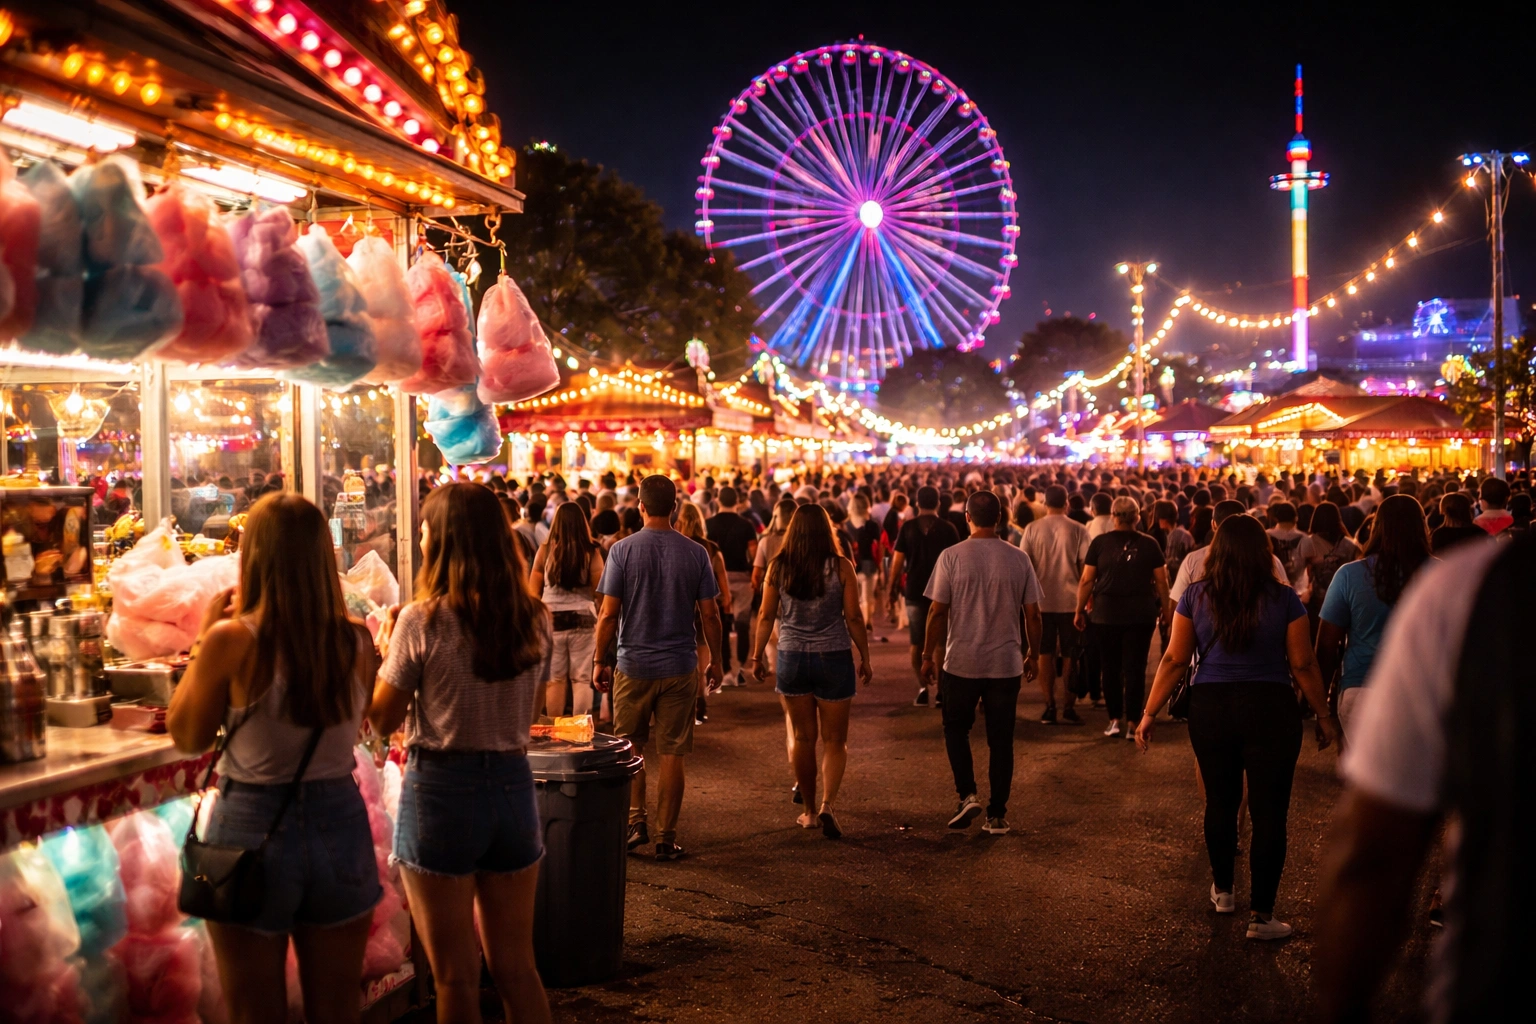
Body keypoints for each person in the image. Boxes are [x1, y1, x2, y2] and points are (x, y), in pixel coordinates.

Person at [168, 494, 379, 1024]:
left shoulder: (230, 639)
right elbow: (353, 730)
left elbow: (188, 735)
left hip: (251, 825)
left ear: (254, 556)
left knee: (253, 1012)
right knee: (337, 1011)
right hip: (340, 819)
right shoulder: (356, 642)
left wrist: (200, 645)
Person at [1312, 537, 1523, 1022]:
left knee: (1393, 787)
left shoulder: (1473, 585)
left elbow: (1374, 855)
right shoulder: (1444, 576)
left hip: (1499, 974)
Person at [366, 483, 551, 1024]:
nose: (420, 536)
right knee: (518, 968)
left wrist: (385, 649)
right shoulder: (533, 618)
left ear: (442, 540)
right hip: (514, 788)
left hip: (442, 792)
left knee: (454, 977)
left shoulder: (420, 621)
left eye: (424, 527)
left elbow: (381, 718)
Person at [1137, 514, 1337, 940]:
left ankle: (1224, 891)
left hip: (1212, 706)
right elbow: (1302, 663)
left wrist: (1150, 712)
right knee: (1269, 814)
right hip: (1270, 706)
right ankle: (1263, 916)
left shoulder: (1195, 595)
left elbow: (1174, 659)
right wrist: (1323, 715)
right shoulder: (1284, 600)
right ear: (1263, 553)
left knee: (1220, 803)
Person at [593, 475, 722, 861]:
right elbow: (710, 615)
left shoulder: (621, 551)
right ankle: (666, 836)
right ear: (676, 508)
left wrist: (600, 660)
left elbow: (607, 614)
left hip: (633, 665)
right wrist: (714, 659)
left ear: (641, 507)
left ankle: (636, 823)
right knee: (672, 754)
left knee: (631, 749)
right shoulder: (695, 552)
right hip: (681, 666)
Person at [749, 504, 873, 839]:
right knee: (836, 740)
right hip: (833, 655)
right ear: (826, 531)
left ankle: (808, 811)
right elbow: (854, 618)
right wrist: (865, 655)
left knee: (802, 738)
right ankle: (828, 804)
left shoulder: (778, 567)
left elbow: (765, 615)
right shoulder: (841, 567)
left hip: (791, 656)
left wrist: (757, 656)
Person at [922, 491, 1043, 835]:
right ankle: (998, 814)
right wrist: (1034, 652)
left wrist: (927, 654)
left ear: (967, 518)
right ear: (1001, 518)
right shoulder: (1018, 558)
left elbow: (937, 610)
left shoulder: (952, 556)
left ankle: (967, 793)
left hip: (961, 661)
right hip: (1005, 663)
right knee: (1001, 739)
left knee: (956, 729)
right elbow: (1033, 614)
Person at [1314, 494, 1432, 739]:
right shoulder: (1443, 573)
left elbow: (1326, 645)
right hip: (1425, 691)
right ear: (1422, 526)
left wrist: (1320, 707)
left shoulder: (1349, 575)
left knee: (1366, 776)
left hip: (1362, 688)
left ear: (1376, 527)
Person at [1076, 497, 1169, 739]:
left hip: (1106, 614)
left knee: (1110, 667)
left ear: (1114, 516)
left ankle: (1114, 719)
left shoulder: (1100, 543)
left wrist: (1079, 609)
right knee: (1135, 668)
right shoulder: (1149, 544)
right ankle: (1133, 722)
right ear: (1137, 517)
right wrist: (1167, 611)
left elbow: (1087, 579)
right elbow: (1161, 581)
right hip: (1141, 613)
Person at [1018, 484, 1089, 725]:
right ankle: (1069, 706)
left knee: (1044, 653)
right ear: (1066, 503)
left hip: (1040, 602)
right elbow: (1085, 568)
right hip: (1072, 601)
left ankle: (1049, 705)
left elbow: (1024, 565)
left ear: (1045, 504)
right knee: (1071, 654)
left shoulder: (1032, 529)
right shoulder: (1078, 529)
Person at [530, 502, 605, 720]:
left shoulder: (545, 550)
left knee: (555, 679)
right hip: (583, 619)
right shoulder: (591, 551)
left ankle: (557, 731)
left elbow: (533, 590)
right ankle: (579, 728)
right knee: (581, 679)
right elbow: (599, 591)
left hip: (551, 620)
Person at [888, 486, 961, 707]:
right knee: (940, 642)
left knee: (916, 641)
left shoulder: (907, 528)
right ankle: (941, 690)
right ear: (938, 503)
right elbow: (957, 562)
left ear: (917, 504)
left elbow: (898, 561)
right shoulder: (948, 528)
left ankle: (922, 688)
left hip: (915, 589)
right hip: (942, 591)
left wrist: (891, 587)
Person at [1170, 501, 1290, 604]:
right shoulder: (1269, 560)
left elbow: (1177, 602)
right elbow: (1285, 600)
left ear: (1213, 525)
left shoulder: (1193, 560)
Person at [677, 502, 732, 723]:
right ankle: (700, 704)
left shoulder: (678, 546)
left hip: (681, 610)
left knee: (681, 662)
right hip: (705, 611)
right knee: (702, 663)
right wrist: (726, 603)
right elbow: (723, 584)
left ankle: (684, 704)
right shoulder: (711, 549)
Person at [705, 486, 758, 687]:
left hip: (717, 580)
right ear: (737, 501)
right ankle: (741, 670)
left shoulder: (709, 525)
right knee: (743, 625)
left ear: (718, 501)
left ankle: (726, 669)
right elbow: (753, 554)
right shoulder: (746, 525)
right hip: (742, 578)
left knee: (722, 626)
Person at [843, 493, 883, 630]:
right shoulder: (872, 525)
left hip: (850, 564)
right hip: (869, 562)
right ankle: (867, 620)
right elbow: (879, 546)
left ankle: (857, 620)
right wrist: (881, 565)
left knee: (853, 595)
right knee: (868, 596)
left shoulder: (846, 525)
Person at [1265, 502, 1307, 590]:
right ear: (1295, 518)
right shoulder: (1303, 537)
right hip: (1299, 586)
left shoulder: (1267, 535)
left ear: (1276, 518)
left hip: (1273, 585)